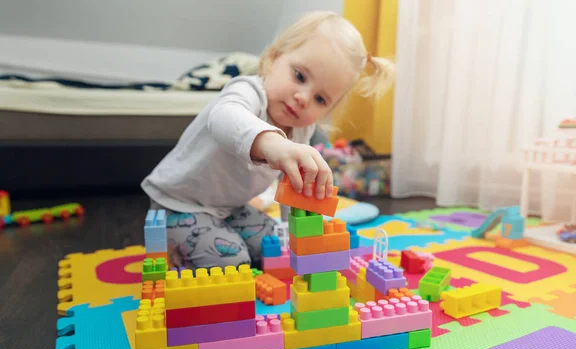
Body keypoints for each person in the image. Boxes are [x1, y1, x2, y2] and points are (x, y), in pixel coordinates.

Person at [141, 11, 395, 269]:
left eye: (320, 99)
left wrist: (295, 230)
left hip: (231, 208)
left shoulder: (301, 129)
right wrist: (272, 143)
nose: (303, 97)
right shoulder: (248, 91)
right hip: (179, 204)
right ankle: (170, 244)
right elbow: (224, 117)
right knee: (232, 261)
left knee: (277, 247)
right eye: (300, 76)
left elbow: (294, 187)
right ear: (274, 58)